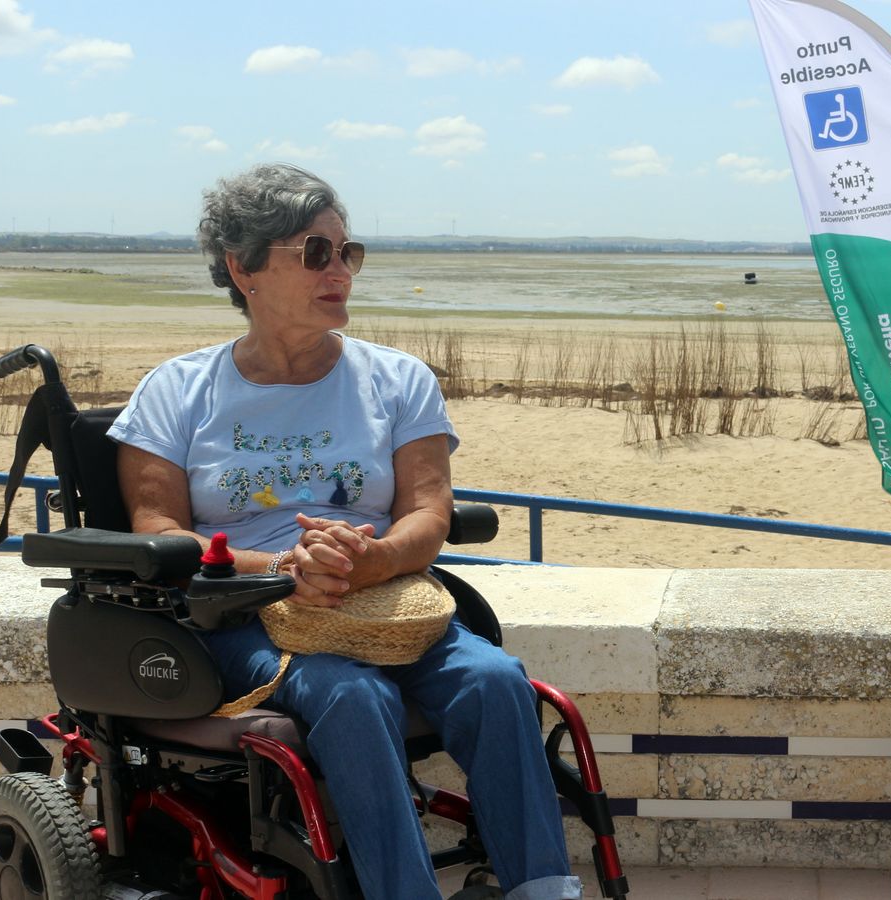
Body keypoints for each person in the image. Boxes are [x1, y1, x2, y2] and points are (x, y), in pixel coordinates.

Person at [107, 163, 581, 900]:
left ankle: (543, 889)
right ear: (244, 268)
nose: (341, 271)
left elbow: (429, 511)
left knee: (495, 680)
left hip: (384, 597)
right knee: (353, 696)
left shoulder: (397, 380)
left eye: (346, 251)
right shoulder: (177, 392)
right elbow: (161, 531)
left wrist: (373, 558)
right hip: (243, 614)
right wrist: (284, 564)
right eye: (315, 252)